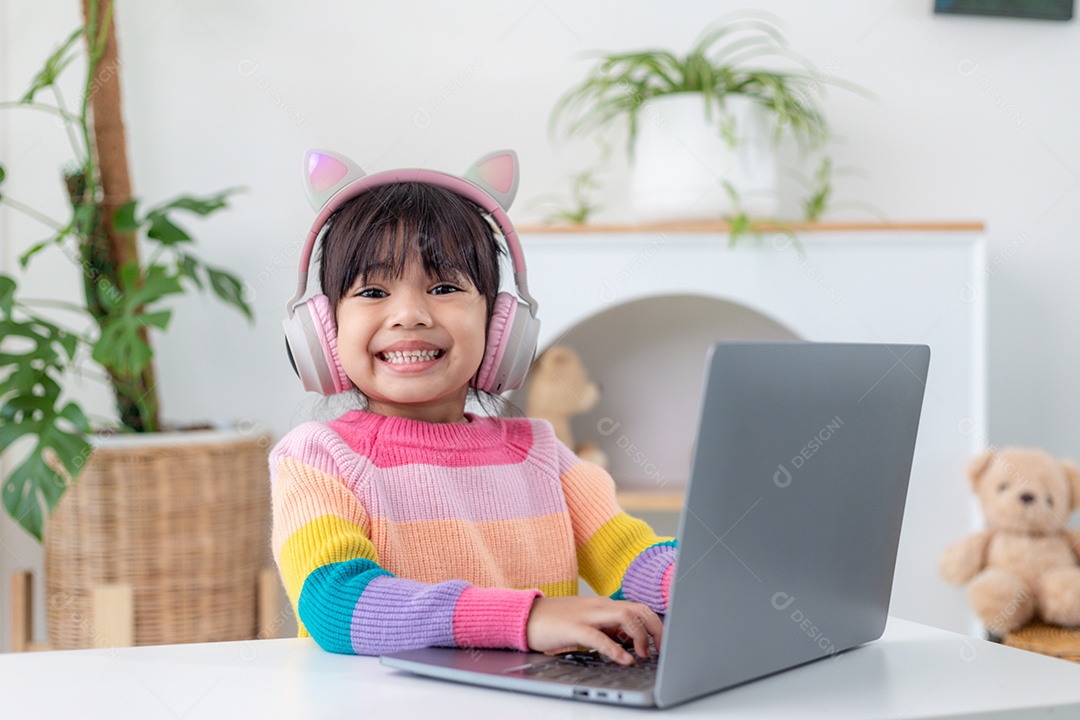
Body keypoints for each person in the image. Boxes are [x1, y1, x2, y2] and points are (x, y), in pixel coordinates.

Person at [272, 149, 676, 665]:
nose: (410, 315)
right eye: (373, 291)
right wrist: (526, 618)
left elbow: (631, 558)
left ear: (501, 324)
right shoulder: (316, 458)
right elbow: (335, 605)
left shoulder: (543, 454)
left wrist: (707, 574)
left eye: (444, 287)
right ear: (323, 331)